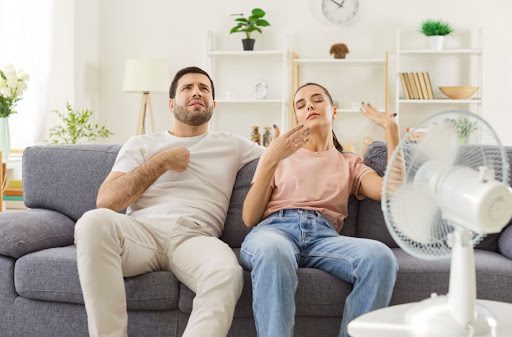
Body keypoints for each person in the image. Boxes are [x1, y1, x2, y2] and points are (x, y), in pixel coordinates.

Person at [74, 66, 263, 337]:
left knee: (227, 274)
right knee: (92, 222)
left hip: (195, 237)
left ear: (213, 104)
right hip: (142, 232)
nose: (196, 92)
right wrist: (160, 162)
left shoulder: (233, 144)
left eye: (204, 88)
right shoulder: (142, 144)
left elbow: (282, 156)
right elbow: (107, 200)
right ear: (172, 103)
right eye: (187, 88)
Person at [240, 82, 400, 337]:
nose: (310, 106)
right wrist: (270, 159)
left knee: (380, 258)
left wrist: (391, 130)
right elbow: (249, 217)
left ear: (333, 111)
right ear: (297, 117)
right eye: (301, 105)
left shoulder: (349, 162)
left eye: (317, 100)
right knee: (274, 251)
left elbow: (391, 190)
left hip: (324, 238)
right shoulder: (278, 156)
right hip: (275, 231)